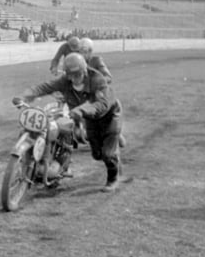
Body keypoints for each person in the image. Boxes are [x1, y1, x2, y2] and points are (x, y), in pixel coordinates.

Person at [13, 53, 123, 192]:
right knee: (97, 154)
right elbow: (45, 87)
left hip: (109, 116)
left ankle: (112, 179)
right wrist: (24, 96)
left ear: (84, 70)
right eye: (70, 75)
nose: (73, 79)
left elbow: (102, 104)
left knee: (108, 154)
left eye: (77, 75)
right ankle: (112, 153)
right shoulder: (66, 80)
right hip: (89, 118)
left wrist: (81, 110)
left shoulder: (98, 80)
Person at [79, 37, 127, 148]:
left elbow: (108, 77)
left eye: (84, 51)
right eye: (80, 51)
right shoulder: (77, 61)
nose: (81, 54)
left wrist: (96, 83)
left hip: (97, 94)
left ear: (90, 51)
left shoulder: (96, 60)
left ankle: (116, 134)